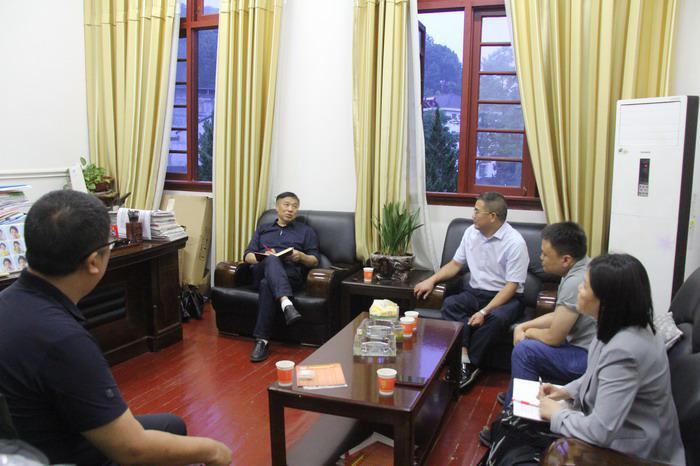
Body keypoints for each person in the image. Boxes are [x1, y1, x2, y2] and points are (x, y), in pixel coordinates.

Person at [0, 190, 232, 466]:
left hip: (24, 441)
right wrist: (214, 450)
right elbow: (131, 449)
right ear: (93, 262)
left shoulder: (9, 302)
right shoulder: (63, 340)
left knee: (171, 425)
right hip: (53, 457)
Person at [538, 254, 684, 465]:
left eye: (585, 286)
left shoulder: (625, 350)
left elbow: (601, 431)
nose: (579, 289)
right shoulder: (616, 324)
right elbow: (597, 374)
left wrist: (557, 415)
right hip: (617, 435)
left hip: (637, 454)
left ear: (605, 300)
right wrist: (567, 391)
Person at [414, 192, 529, 389]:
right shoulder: (470, 233)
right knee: (451, 304)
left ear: (492, 216)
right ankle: (463, 357)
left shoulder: (515, 243)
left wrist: (484, 312)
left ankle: (469, 365)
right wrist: (431, 280)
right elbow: (455, 264)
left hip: (506, 297)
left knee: (496, 319)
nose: (472, 215)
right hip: (475, 292)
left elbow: (512, 286)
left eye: (477, 211)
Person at [505, 222, 594, 405]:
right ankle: (516, 394)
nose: (540, 258)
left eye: (545, 254)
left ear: (566, 260)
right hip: (585, 349)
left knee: (525, 350)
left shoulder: (575, 281)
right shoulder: (583, 266)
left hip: (587, 357)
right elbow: (560, 315)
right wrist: (524, 326)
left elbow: (554, 337)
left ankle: (515, 414)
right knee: (528, 343)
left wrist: (528, 332)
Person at [243, 191, 320, 362]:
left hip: (290, 276)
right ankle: (286, 303)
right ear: (277, 207)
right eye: (286, 205)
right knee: (271, 259)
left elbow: (315, 260)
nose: (290, 209)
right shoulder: (263, 229)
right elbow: (247, 255)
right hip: (261, 270)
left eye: (295, 206)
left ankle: (262, 341)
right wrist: (263, 256)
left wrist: (301, 256)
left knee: (267, 285)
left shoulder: (306, 231)